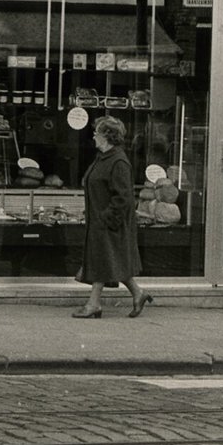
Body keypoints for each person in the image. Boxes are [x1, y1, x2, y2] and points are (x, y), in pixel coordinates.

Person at [73, 115, 151, 319]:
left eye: (96, 133)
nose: (93, 136)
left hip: (110, 223)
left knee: (103, 261)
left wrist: (106, 218)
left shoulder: (118, 162)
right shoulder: (104, 158)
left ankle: (93, 304)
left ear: (107, 136)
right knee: (111, 261)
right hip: (101, 220)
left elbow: (124, 197)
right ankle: (138, 294)